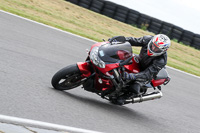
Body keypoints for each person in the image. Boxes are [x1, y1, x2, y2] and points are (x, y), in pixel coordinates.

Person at [112, 34, 171, 103]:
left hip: (148, 72)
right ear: (151, 42)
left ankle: (128, 96)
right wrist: (119, 40)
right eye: (153, 46)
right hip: (140, 60)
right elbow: (132, 41)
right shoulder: (147, 39)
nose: (153, 49)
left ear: (163, 50)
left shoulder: (161, 60)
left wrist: (132, 76)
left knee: (134, 86)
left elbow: (147, 74)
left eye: (157, 49)